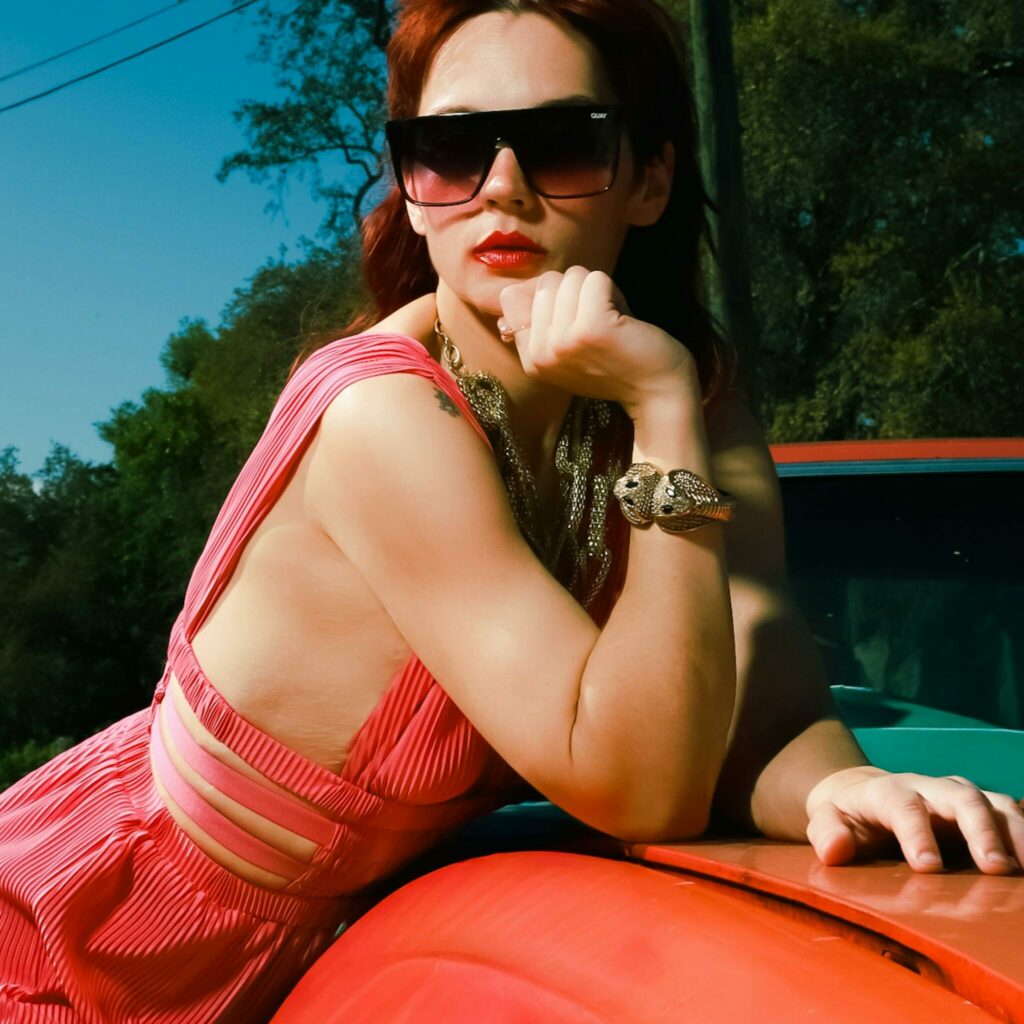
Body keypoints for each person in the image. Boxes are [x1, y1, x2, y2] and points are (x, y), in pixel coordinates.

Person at [1, 0, 1021, 1020]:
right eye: (448, 149)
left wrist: (833, 788)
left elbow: (763, 676)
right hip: (76, 942)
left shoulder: (687, 394)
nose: (500, 188)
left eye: (560, 143)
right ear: (410, 190)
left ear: (649, 178)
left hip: (297, 967)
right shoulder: (381, 415)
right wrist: (659, 407)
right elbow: (639, 785)